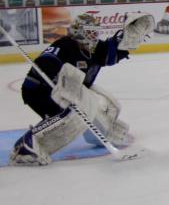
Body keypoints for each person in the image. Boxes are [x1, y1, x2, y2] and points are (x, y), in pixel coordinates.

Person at [9, 12, 153, 166]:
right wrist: (59, 75)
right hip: (40, 91)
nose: (94, 36)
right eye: (90, 32)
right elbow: (45, 61)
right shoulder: (65, 45)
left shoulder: (94, 49)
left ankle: (103, 133)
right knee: (72, 115)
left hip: (65, 92)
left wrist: (127, 39)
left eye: (95, 32)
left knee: (100, 101)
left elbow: (112, 53)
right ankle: (26, 146)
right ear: (79, 31)